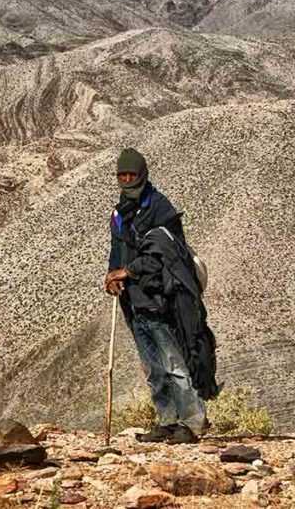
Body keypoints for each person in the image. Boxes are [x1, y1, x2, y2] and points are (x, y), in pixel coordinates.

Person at [104, 148, 215, 444]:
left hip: (159, 299)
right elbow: (118, 252)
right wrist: (112, 275)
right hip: (134, 303)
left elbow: (163, 256)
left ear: (142, 174)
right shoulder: (119, 214)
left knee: (173, 363)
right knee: (153, 367)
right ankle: (166, 421)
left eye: (131, 175)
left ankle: (193, 422)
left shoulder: (160, 209)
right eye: (121, 175)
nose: (126, 180)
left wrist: (127, 271)